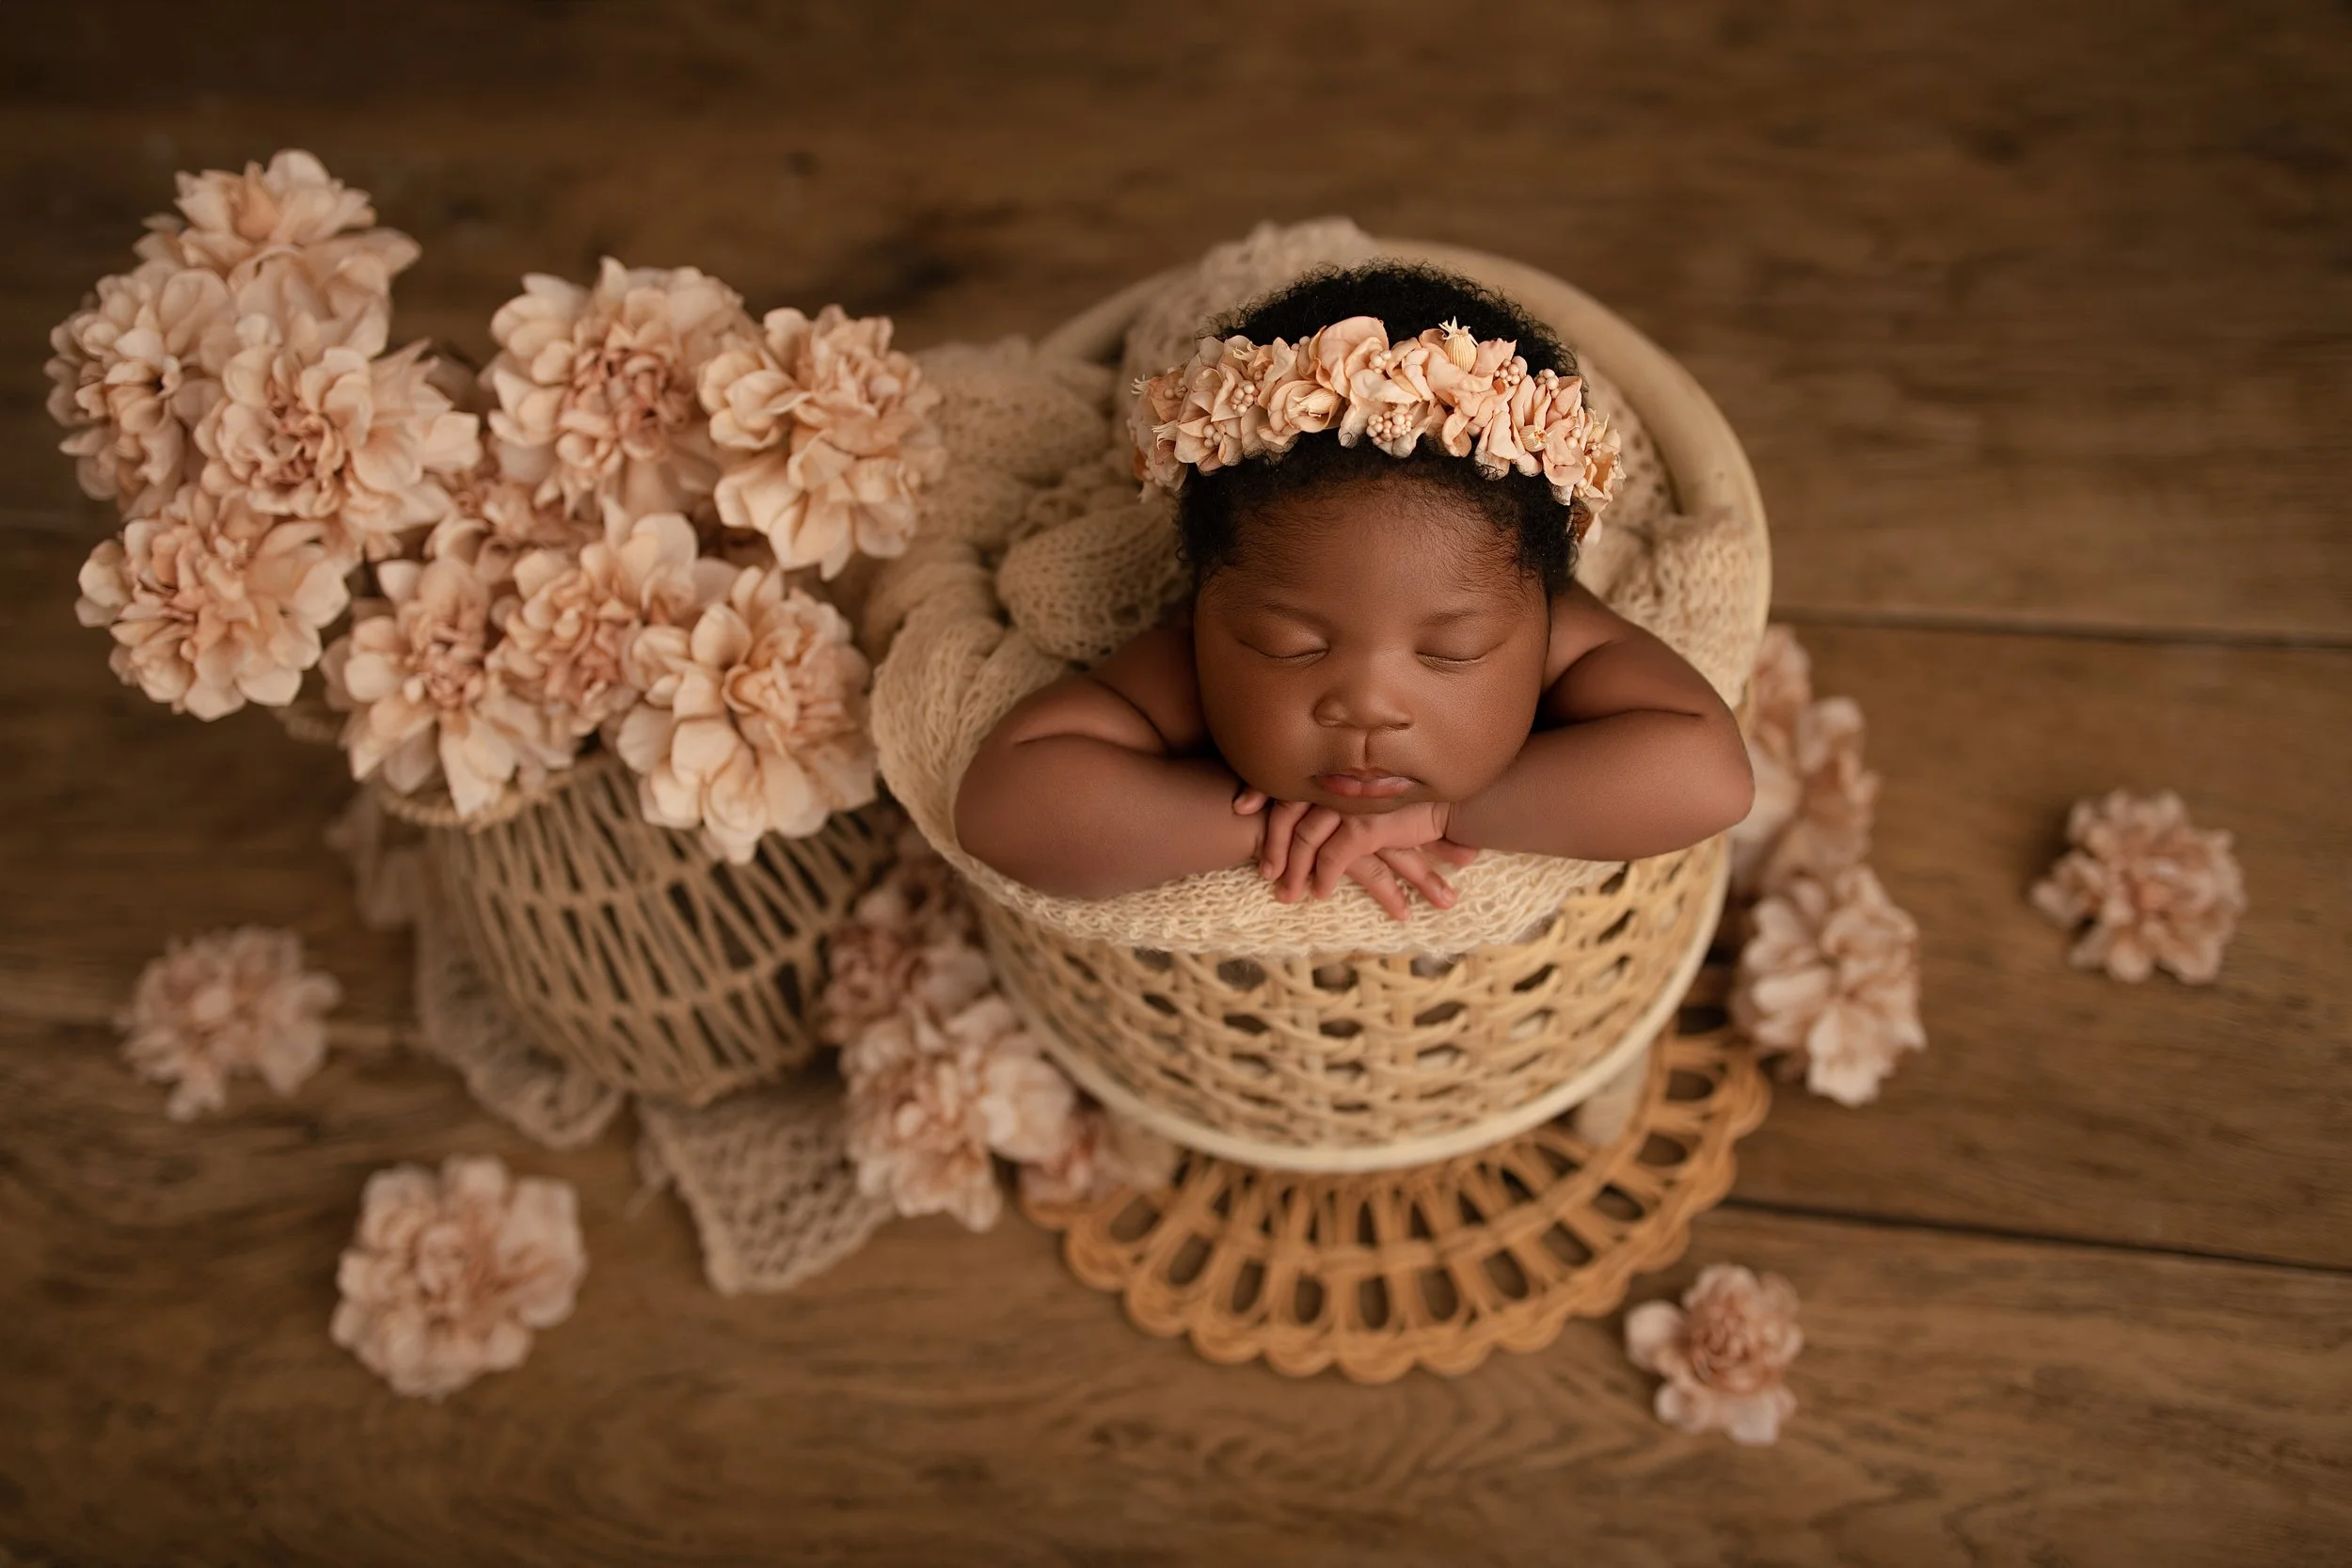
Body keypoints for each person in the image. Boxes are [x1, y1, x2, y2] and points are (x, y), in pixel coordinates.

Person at [955, 262, 1753, 922]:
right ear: (1205, 600)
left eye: (1450, 652)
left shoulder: (1566, 641)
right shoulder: (1192, 666)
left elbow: (1708, 776)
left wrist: (1448, 813)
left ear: (1543, 605)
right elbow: (1005, 810)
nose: (1366, 705)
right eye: (1290, 646)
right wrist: (1256, 823)